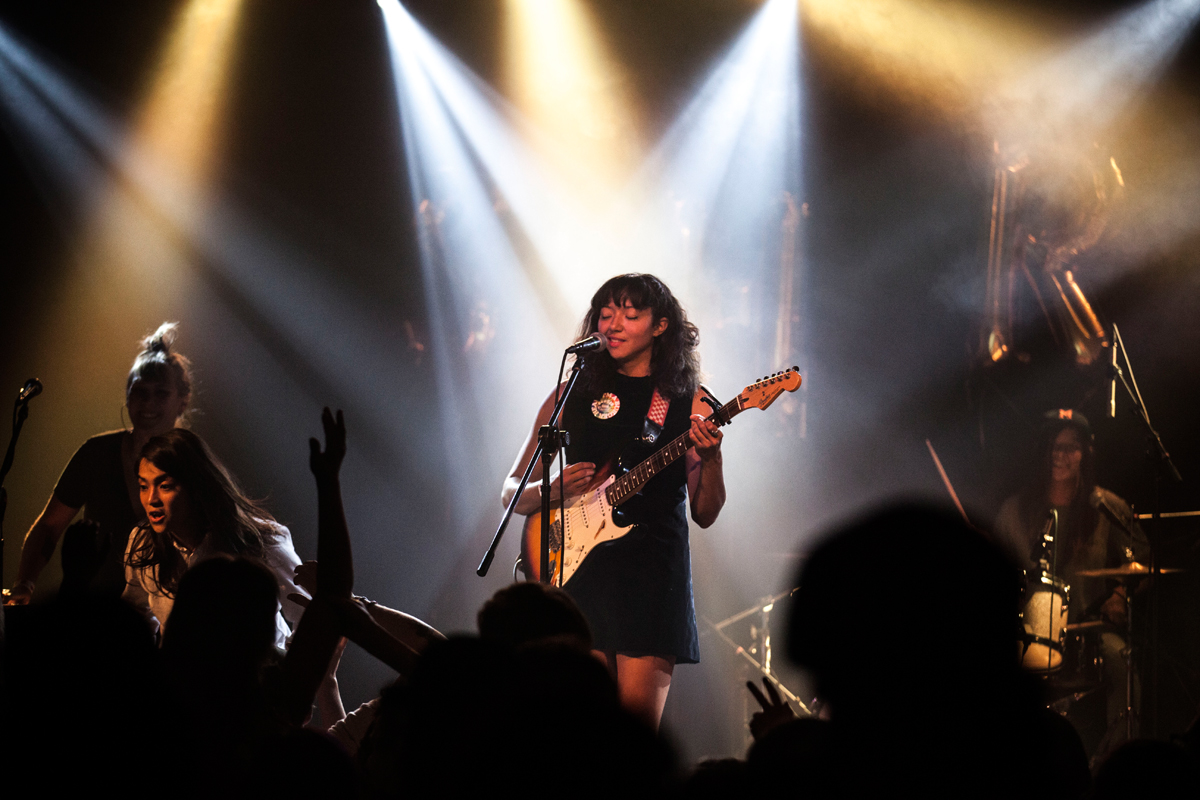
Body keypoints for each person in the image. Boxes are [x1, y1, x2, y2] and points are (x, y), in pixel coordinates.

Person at [501, 273, 726, 730]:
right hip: (578, 570)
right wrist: (554, 490)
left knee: (631, 740)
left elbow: (705, 513)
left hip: (651, 578)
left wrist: (712, 458)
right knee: (580, 730)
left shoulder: (688, 402)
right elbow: (511, 492)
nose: (614, 325)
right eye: (606, 314)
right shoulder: (571, 393)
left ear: (660, 326)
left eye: (630, 314)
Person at [994, 409, 1148, 748]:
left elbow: (1141, 559)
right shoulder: (1012, 512)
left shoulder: (1106, 507)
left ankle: (1116, 760)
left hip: (1089, 632)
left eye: (1071, 447)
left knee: (1122, 663)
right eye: (1053, 445)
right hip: (1028, 634)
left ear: (1086, 453)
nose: (1060, 455)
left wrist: (1120, 595)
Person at [7, 323, 192, 604]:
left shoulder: (195, 462)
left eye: (161, 393)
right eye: (140, 392)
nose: (148, 402)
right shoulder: (97, 453)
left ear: (183, 401)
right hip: (95, 613)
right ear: (127, 396)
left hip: (169, 616)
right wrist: (24, 584)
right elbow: (49, 527)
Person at [123, 427, 304, 648]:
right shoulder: (144, 542)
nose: (151, 499)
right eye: (143, 486)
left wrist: (287, 666)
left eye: (165, 486)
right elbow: (135, 612)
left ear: (196, 486)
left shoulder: (260, 541)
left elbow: (308, 614)